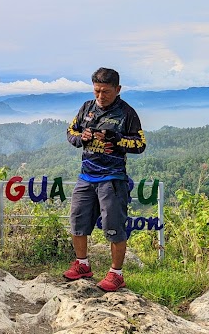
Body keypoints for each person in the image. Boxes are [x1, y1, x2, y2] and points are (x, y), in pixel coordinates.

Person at [64, 67, 146, 292]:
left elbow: (140, 144)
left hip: (112, 178)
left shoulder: (127, 113)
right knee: (77, 221)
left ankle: (116, 274)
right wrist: (82, 137)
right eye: (97, 91)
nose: (100, 96)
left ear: (118, 90)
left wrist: (117, 139)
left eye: (106, 92)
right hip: (86, 175)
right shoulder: (86, 108)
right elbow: (71, 132)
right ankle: (82, 264)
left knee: (114, 226)